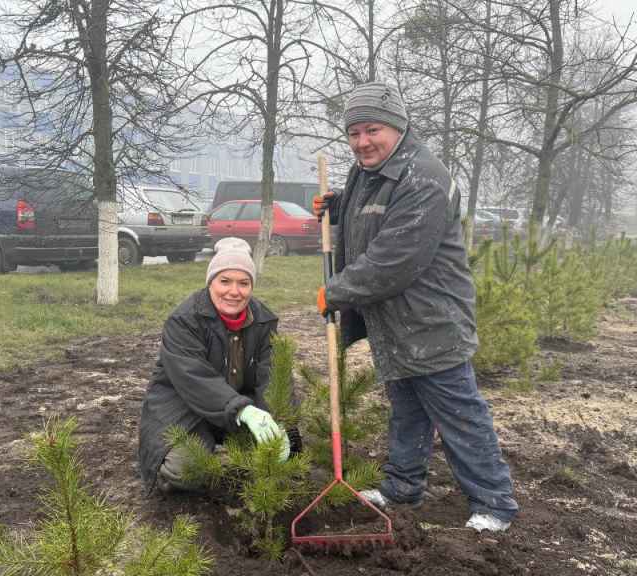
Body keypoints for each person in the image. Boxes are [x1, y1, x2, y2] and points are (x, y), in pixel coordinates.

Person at [313, 82, 519, 532]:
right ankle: (402, 488)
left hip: (431, 321)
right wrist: (338, 205)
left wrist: (338, 291)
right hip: (395, 321)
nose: (363, 142)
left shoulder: (424, 177)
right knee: (407, 410)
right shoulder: (368, 171)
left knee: (459, 415)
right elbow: (373, 213)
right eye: (354, 133)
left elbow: (396, 257)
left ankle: (494, 504)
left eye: (372, 130)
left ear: (398, 127)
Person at [137, 237, 293, 493]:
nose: (234, 291)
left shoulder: (263, 320)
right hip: (183, 410)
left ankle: (227, 450)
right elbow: (193, 378)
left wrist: (281, 420)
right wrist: (244, 411)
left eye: (244, 283)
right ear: (211, 282)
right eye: (225, 281)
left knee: (281, 457)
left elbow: (273, 374)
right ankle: (175, 467)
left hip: (237, 410)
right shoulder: (185, 320)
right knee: (187, 469)